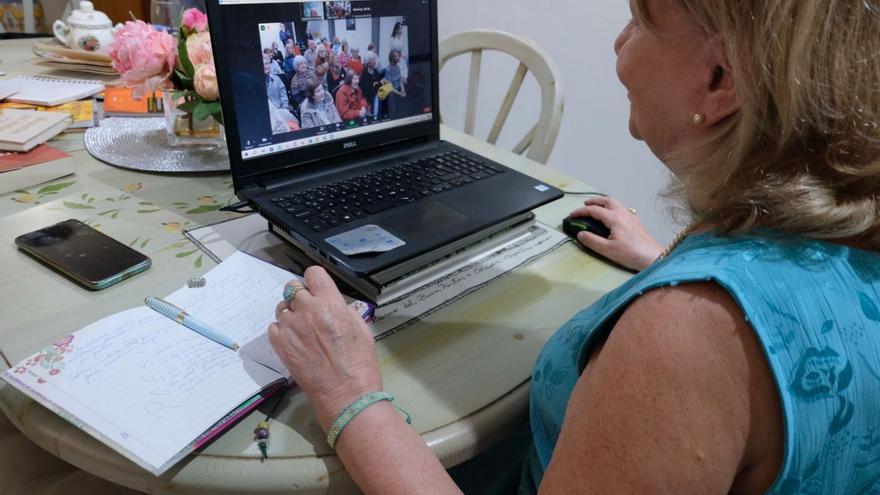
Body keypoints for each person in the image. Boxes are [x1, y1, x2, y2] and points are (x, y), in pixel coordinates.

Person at [268, 1, 880, 494]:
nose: (619, 46)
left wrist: (347, 393)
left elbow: (703, 365)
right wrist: (667, 265)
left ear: (720, 81)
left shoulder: (688, 337)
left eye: (641, 20)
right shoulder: (849, 230)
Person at [358, 50, 383, 117]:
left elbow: (378, 84)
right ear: (368, 62)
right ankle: (376, 117)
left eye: (375, 59)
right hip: (367, 98)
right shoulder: (364, 74)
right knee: (377, 98)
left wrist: (381, 83)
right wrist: (378, 84)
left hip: (376, 95)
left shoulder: (375, 72)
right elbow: (366, 92)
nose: (375, 61)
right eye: (373, 60)